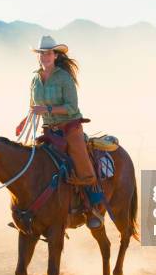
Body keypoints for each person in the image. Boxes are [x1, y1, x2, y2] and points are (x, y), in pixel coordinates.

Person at [29, 36, 104, 229]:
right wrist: (24, 122)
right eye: (41, 54)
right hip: (48, 130)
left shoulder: (64, 77)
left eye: (48, 53)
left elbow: (72, 107)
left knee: (82, 164)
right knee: (33, 164)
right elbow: (33, 105)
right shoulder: (35, 79)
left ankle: (92, 207)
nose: (44, 57)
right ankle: (33, 210)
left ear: (54, 55)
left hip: (70, 127)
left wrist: (47, 110)